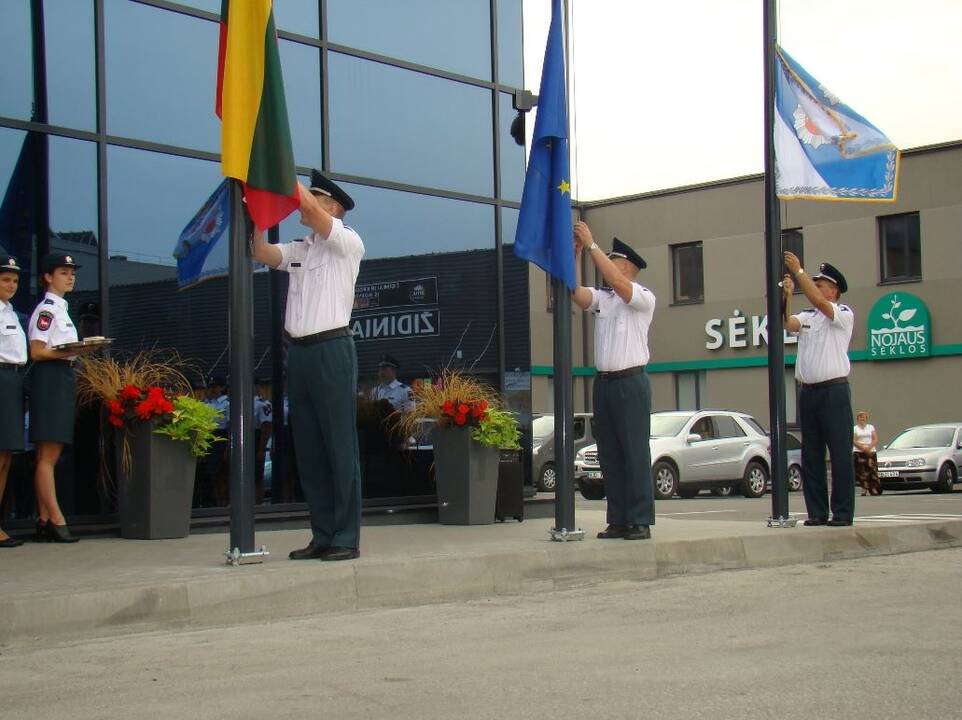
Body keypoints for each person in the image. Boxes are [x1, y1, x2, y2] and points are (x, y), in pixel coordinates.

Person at [252, 169, 364, 562]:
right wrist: (259, 219)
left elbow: (311, 211)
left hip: (332, 349)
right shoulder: (303, 248)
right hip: (298, 352)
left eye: (316, 197)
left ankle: (346, 536)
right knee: (310, 449)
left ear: (332, 207)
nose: (305, 203)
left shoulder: (346, 241)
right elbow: (263, 254)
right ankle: (322, 533)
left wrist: (279, 167)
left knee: (338, 445)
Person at [572, 225, 656, 541]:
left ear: (625, 266)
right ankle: (619, 518)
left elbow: (619, 284)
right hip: (605, 383)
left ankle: (640, 519)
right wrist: (577, 253)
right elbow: (576, 292)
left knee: (634, 451)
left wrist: (592, 244)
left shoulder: (643, 297)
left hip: (631, 382)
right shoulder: (605, 300)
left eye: (611, 260)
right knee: (610, 453)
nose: (605, 263)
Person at [28, 253, 98, 543]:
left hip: (62, 375)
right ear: (48, 276)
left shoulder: (61, 309)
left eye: (71, 272)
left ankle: (45, 518)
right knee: (48, 454)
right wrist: (71, 351)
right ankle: (56, 518)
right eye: (63, 272)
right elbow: (37, 350)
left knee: (52, 453)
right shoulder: (47, 310)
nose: (69, 277)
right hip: (50, 376)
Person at [782, 253, 856, 526]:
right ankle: (816, 512)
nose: (816, 287)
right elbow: (788, 323)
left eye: (821, 284)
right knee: (811, 455)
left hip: (833, 392)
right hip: (809, 392)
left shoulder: (842, 313)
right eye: (815, 283)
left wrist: (799, 271)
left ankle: (843, 513)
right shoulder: (809, 316)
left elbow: (820, 302)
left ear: (834, 290)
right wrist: (788, 294)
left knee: (839, 454)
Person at [0, 255, 27, 547]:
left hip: (12, 379)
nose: (12, 285)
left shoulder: (10, 312)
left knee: (6, 457)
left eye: (15, 280)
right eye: (6, 279)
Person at [853, 411, 881, 496]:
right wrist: (863, 448)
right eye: (860, 417)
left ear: (866, 418)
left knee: (872, 471)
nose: (862, 418)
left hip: (871, 451)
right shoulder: (855, 428)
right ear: (858, 419)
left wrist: (869, 447)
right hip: (859, 452)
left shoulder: (871, 427)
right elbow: (854, 440)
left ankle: (873, 488)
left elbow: (875, 439)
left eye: (864, 417)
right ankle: (863, 489)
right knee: (862, 471)